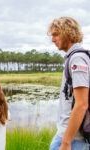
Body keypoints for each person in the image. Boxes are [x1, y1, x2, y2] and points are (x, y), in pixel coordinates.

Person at [48, 17, 90, 150]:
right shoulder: (76, 57)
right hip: (74, 137)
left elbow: (82, 104)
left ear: (67, 33)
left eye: (56, 34)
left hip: (72, 140)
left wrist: (66, 142)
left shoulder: (77, 58)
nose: (53, 39)